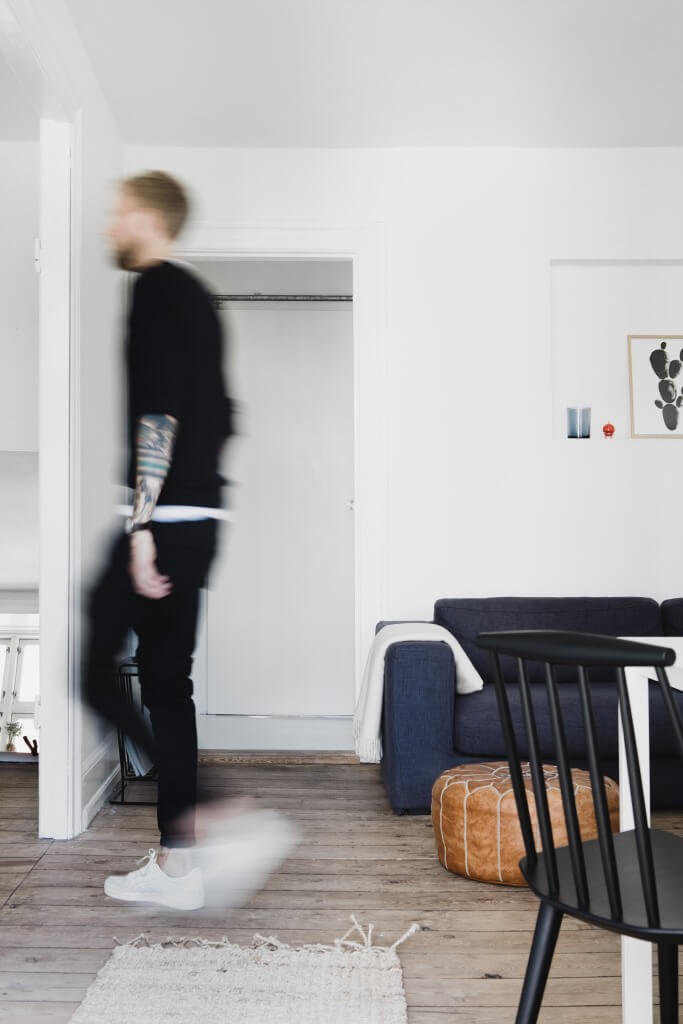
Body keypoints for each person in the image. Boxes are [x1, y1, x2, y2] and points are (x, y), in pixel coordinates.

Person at [82, 170, 282, 911]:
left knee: (93, 671)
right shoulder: (200, 301)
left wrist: (139, 526)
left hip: (161, 522)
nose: (110, 226)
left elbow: (158, 417)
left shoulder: (155, 289)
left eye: (118, 213)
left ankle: (213, 811)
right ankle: (179, 865)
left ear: (149, 217)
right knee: (168, 686)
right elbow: (224, 415)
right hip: (197, 523)